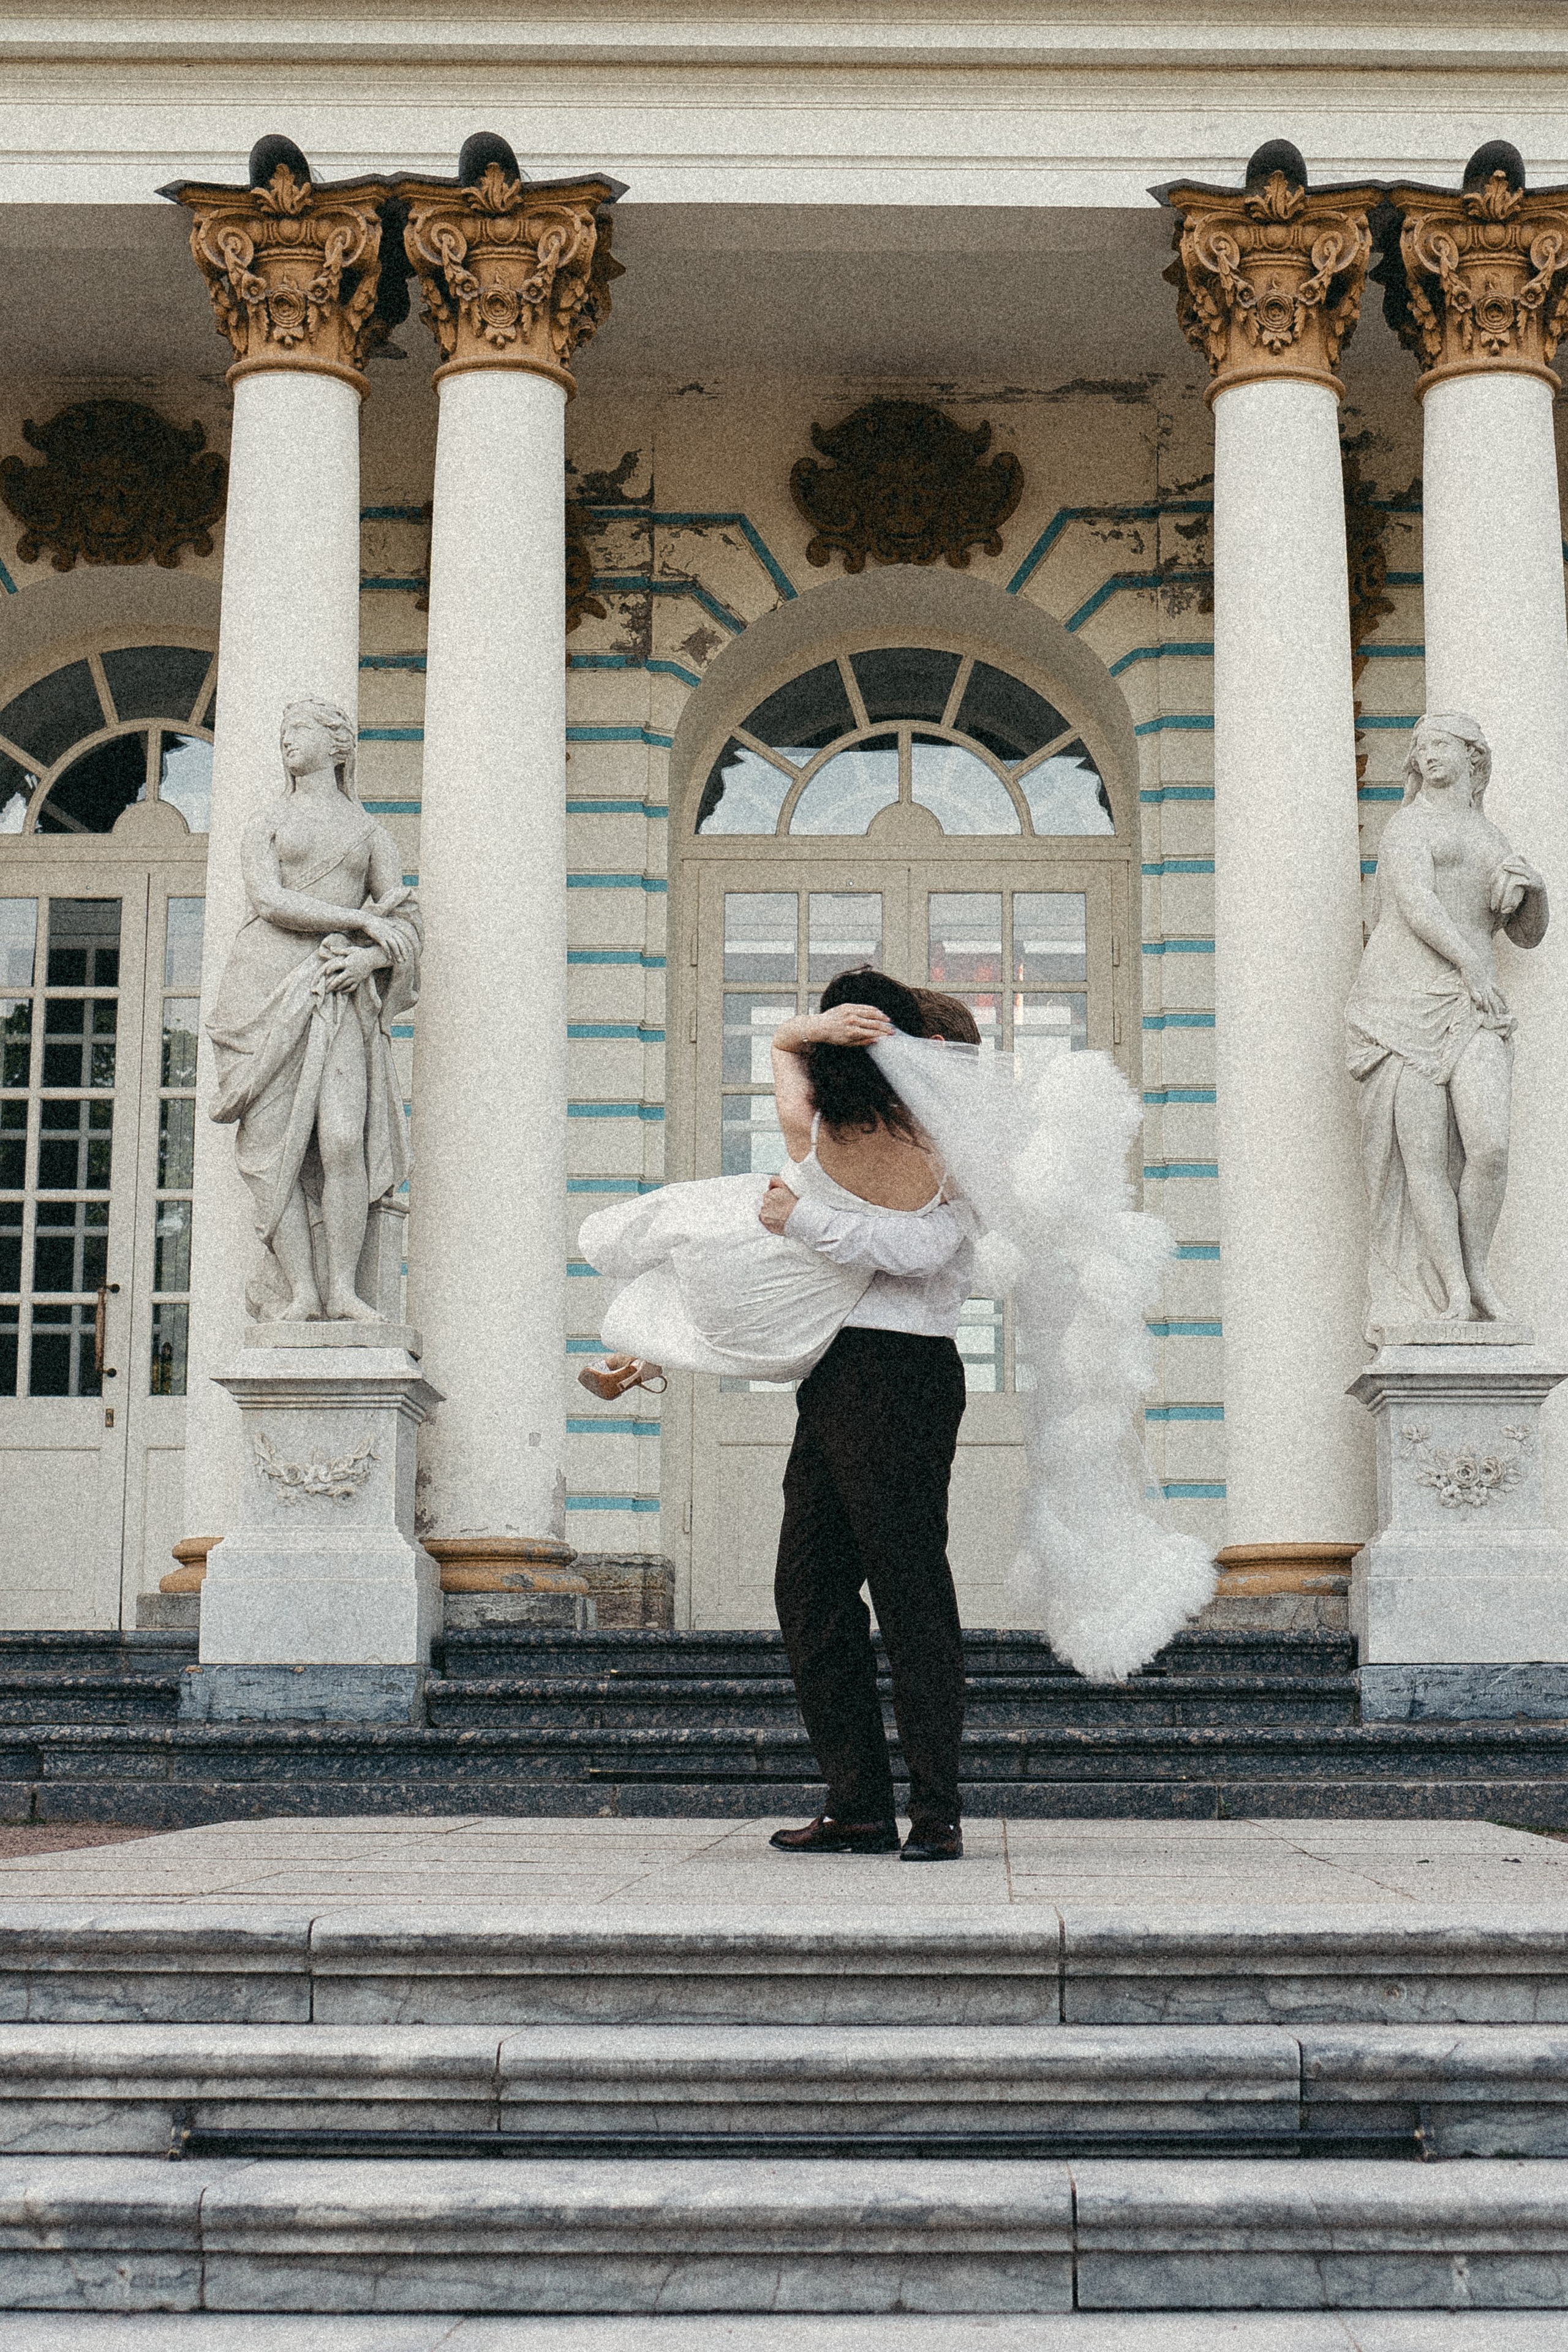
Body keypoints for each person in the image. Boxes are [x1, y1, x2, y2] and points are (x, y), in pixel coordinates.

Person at [762, 968, 978, 1864]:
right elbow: (780, 1060)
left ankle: (936, 1810)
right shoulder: (832, 1133)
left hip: (907, 1370)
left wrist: (806, 1223)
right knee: (808, 1590)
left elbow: (927, 1251)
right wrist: (804, 1028)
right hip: (833, 1372)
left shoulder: (953, 1142)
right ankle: (855, 1803)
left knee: (909, 1589)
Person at [207, 696, 421, 1323]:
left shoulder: (369, 833)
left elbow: (406, 922)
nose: (287, 741)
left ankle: (344, 1290)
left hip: (339, 991)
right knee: (278, 1152)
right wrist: (358, 921)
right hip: (264, 990)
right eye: (283, 732)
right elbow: (270, 901)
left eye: (299, 730)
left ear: (339, 747)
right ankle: (302, 1291)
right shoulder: (266, 823)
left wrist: (368, 962)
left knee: (342, 1138)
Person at [1344, 710, 1548, 1333]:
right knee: (1423, 1160)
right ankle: (1454, 1293)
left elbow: (1526, 934)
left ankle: (1479, 1270)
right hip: (1401, 1003)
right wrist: (1470, 965)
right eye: (1421, 747)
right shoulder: (1409, 826)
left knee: (1489, 1146)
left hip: (1470, 1005)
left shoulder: (1492, 838)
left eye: (1440, 745)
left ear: (1472, 756)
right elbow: (1415, 903)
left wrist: (1534, 889)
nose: (1428, 755)